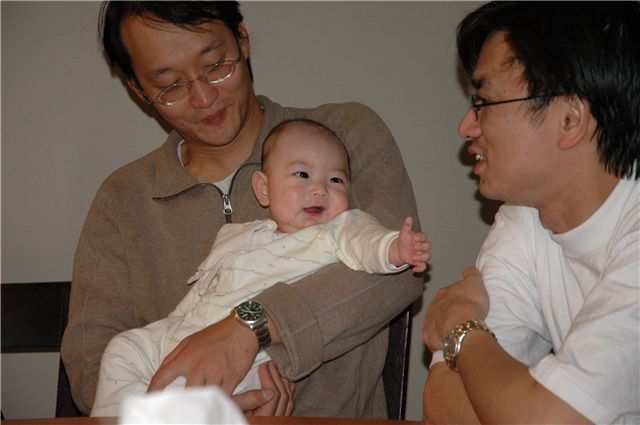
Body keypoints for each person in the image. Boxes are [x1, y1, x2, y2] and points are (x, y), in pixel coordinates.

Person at [60, 1, 424, 418]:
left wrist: (251, 328)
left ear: (243, 39)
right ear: (138, 90)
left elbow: (399, 275)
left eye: (215, 65)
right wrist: (191, 409)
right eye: (171, 85)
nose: (203, 98)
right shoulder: (124, 199)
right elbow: (91, 361)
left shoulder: (343, 137)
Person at [91, 118, 431, 417]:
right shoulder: (238, 236)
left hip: (252, 362)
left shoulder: (334, 234)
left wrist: (394, 248)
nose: (319, 189)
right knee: (124, 348)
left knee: (181, 393)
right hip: (185, 334)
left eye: (336, 180)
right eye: (302, 175)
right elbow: (203, 289)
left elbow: (366, 241)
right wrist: (175, 330)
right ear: (264, 189)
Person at [422, 2, 639, 424]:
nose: (466, 127)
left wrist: (461, 327)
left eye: (483, 101)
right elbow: (443, 405)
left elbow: (543, 419)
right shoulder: (526, 216)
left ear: (570, 119)